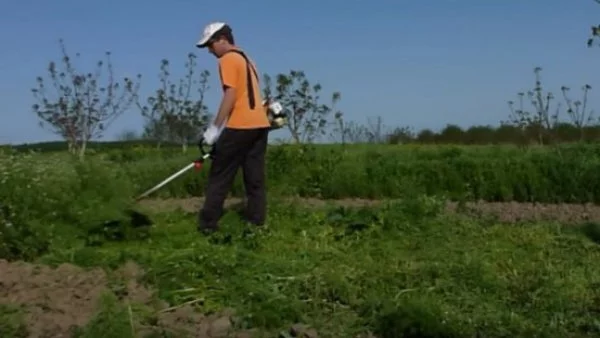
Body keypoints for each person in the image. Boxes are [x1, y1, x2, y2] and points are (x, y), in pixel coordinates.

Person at [195, 22, 272, 234]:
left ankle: (208, 225)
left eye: (210, 45)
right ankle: (257, 223)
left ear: (222, 40)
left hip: (240, 125)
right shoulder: (248, 59)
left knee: (220, 175)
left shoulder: (227, 59)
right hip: (260, 125)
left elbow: (231, 95)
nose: (209, 50)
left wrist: (214, 129)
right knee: (254, 177)